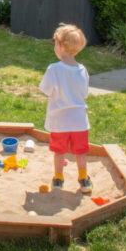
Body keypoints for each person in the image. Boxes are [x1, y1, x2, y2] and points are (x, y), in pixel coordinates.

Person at [39, 23, 93, 194]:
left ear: (60, 46)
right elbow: (84, 93)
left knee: (59, 152)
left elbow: (45, 90)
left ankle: (58, 178)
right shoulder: (82, 70)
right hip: (78, 121)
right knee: (80, 152)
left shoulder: (54, 69)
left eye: (55, 43)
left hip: (59, 121)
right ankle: (83, 179)